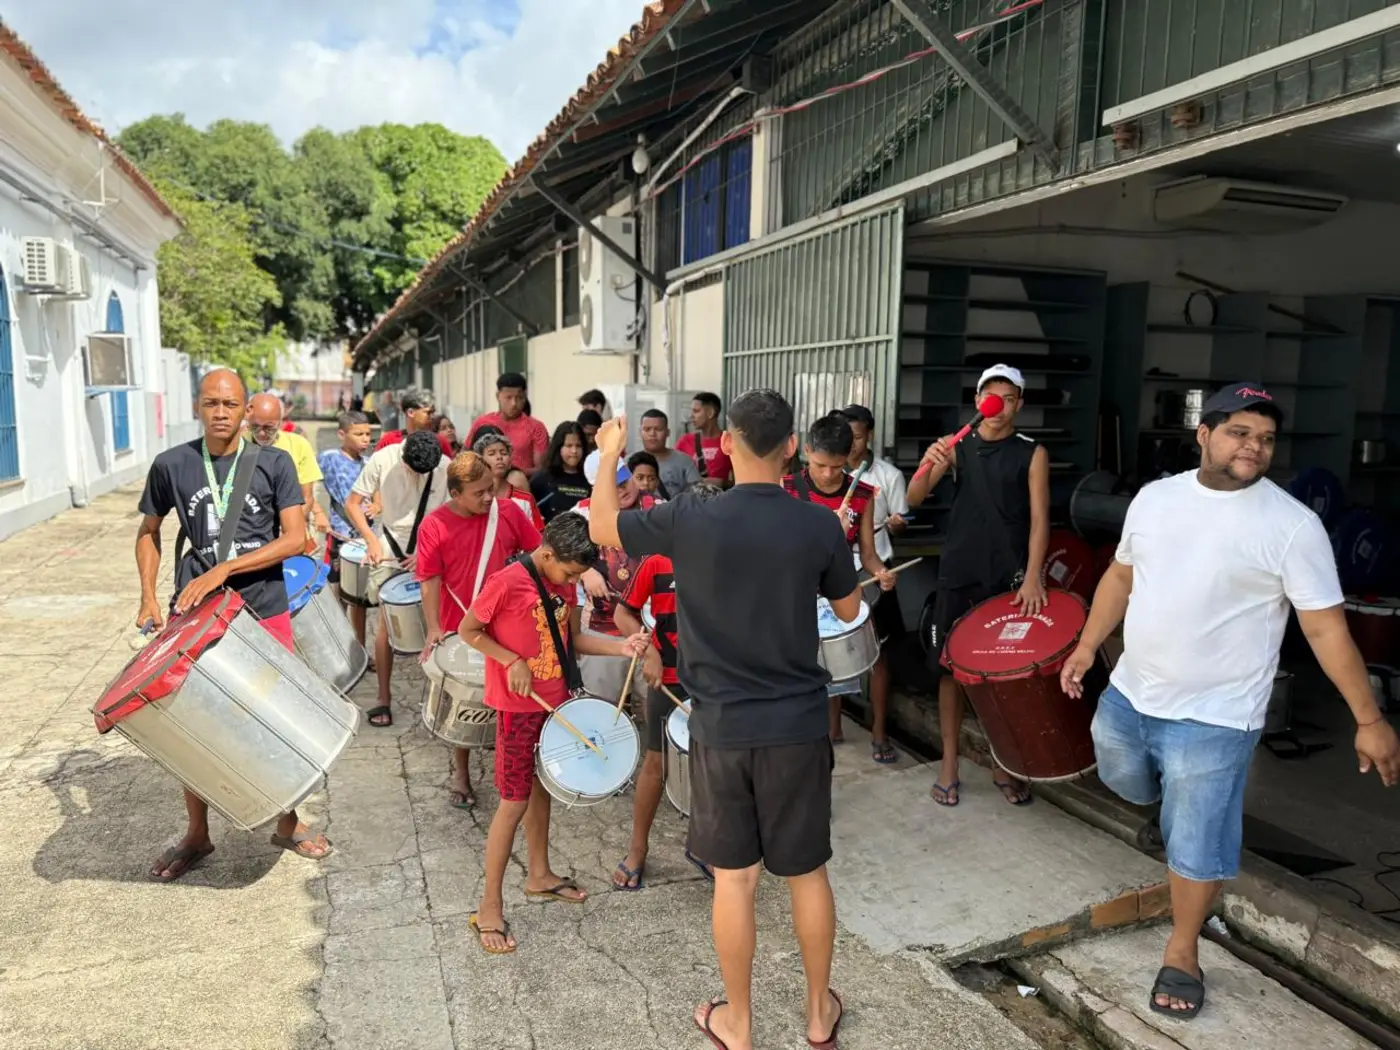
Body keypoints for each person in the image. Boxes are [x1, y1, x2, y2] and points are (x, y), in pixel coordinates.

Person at [1059, 383, 1400, 1020]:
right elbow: (1121, 575)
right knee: (1121, 773)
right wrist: (1086, 645)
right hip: (1131, 693)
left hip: (1216, 717)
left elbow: (1326, 629)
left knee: (1195, 842)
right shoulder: (1156, 499)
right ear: (1204, 435)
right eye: (1240, 432)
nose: (1254, 447)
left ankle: (1183, 950)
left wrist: (1368, 718)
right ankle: (1187, 820)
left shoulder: (1291, 526)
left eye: (1265, 438)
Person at [587, 394, 860, 1050]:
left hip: (721, 726)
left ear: (728, 444)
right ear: (792, 447)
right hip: (797, 725)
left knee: (736, 880)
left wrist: (609, 454)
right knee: (807, 873)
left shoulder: (689, 517)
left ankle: (738, 1023)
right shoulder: (818, 524)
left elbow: (601, 527)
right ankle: (818, 1014)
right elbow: (850, 611)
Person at [135, 368, 331, 882]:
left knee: (273, 716)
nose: (220, 412)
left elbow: (296, 539)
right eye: (211, 403)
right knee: (192, 721)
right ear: (197, 407)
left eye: (229, 404)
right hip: (196, 611)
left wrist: (225, 568)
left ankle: (286, 821)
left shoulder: (274, 461)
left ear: (245, 410)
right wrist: (147, 597)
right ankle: (198, 833)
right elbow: (149, 531)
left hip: (263, 604)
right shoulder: (171, 464)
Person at [462, 513, 647, 954]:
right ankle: (489, 906)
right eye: (569, 573)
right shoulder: (506, 583)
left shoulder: (566, 583)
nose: (574, 581)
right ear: (547, 554)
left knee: (541, 787)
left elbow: (572, 641)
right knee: (513, 802)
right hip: (518, 707)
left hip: (556, 703)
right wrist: (510, 660)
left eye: (579, 575)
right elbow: (468, 631)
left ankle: (539, 874)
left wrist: (621, 647)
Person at [906, 364, 1049, 807]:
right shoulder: (957, 445)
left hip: (1007, 578)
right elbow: (913, 498)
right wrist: (930, 461)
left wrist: (1032, 577)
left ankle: (1002, 763)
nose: (999, 407)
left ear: (1019, 405)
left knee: (1001, 677)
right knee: (951, 672)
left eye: (1009, 399)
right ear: (977, 402)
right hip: (959, 571)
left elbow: (1040, 521)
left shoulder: (1032, 452)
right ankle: (949, 764)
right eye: (992, 398)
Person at [611, 481, 725, 890]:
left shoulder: (733, 559)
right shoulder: (657, 561)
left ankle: (707, 845)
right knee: (655, 764)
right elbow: (624, 614)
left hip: (717, 680)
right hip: (668, 678)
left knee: (717, 767)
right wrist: (649, 652)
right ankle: (637, 849)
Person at [415, 451, 541, 809]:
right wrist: (434, 628)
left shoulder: (510, 512)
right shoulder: (434, 526)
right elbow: (429, 580)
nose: (488, 497)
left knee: (511, 701)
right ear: (455, 493)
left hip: (508, 623)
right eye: (479, 493)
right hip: (460, 624)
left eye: (491, 488)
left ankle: (512, 774)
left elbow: (538, 553)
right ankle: (461, 772)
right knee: (465, 699)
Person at [782, 414, 896, 751]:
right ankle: (815, 733)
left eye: (837, 466)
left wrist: (882, 573)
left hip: (841, 589)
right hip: (798, 592)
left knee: (859, 657)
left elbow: (869, 555)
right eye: (820, 465)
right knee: (803, 666)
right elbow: (780, 548)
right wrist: (825, 534)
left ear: (849, 457)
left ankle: (873, 731)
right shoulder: (787, 489)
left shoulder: (862, 494)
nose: (829, 474)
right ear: (806, 451)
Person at [345, 430, 450, 727]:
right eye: (414, 470)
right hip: (389, 547)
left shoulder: (445, 466)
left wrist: (429, 552)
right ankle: (383, 698)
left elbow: (452, 513)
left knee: (439, 626)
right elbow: (352, 503)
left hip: (431, 551)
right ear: (403, 458)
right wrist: (371, 540)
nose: (418, 475)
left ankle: (439, 700)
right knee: (385, 627)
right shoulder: (382, 459)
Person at [838, 403, 910, 762]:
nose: (851, 444)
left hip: (875, 568)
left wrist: (898, 524)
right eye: (844, 436)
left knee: (879, 654)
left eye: (856, 436)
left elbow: (901, 523)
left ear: (870, 435)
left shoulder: (888, 476)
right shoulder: (827, 473)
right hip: (836, 571)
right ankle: (832, 727)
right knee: (832, 649)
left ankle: (879, 730)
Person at [566, 449, 663, 709]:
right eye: (613, 486)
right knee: (601, 709)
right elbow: (554, 555)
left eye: (624, 481)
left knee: (655, 708)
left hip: (651, 629)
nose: (622, 490)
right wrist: (585, 571)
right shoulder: (581, 514)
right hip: (603, 628)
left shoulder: (659, 509)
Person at [317, 410, 374, 648]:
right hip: (339, 535)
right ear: (342, 434)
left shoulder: (369, 463)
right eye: (358, 434)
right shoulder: (328, 458)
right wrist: (317, 513)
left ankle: (360, 649)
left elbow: (378, 493)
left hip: (363, 537)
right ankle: (337, 647)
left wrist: (377, 506)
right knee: (337, 592)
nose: (365, 439)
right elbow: (306, 483)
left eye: (368, 434)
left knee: (359, 597)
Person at [247, 393, 330, 542]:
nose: (261, 433)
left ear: (280, 422)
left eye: (269, 428)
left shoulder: (298, 445)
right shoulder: (237, 444)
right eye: (255, 427)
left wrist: (289, 527)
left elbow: (307, 497)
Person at [470, 373, 549, 474]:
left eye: (519, 398)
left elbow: (541, 470)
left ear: (525, 397)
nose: (514, 403)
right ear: (498, 396)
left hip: (522, 482)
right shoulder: (482, 422)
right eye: (508, 397)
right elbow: (465, 458)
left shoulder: (536, 427)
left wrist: (510, 472)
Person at [474, 430, 545, 530]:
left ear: (510, 462)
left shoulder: (525, 499)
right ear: (480, 461)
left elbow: (538, 534)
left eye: (503, 453)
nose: (499, 457)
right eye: (492, 454)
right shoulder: (472, 497)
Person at [530, 421, 591, 522]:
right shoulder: (541, 480)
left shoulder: (591, 479)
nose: (574, 451)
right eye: (569, 445)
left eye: (578, 445)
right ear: (558, 448)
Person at [375, 388, 455, 459]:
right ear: (411, 413)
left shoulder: (440, 443)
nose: (433, 416)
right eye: (428, 412)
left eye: (433, 412)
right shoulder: (388, 442)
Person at [640, 408, 702, 497]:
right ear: (640, 432)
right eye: (647, 429)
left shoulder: (684, 461)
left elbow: (697, 495)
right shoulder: (629, 463)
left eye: (658, 429)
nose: (652, 434)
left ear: (667, 432)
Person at [676, 392, 732, 483]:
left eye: (696, 411)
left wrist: (722, 483)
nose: (691, 416)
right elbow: (674, 474)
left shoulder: (729, 441)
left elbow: (743, 481)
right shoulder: (685, 441)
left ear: (710, 413)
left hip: (721, 492)